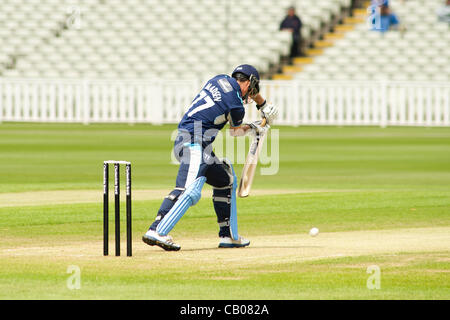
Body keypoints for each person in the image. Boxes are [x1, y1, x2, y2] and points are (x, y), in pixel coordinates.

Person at [142, 64, 278, 251]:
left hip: (194, 142)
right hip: (192, 142)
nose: (251, 95)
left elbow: (241, 94)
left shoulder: (219, 79)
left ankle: (228, 236)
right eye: (252, 89)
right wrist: (255, 126)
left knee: (226, 180)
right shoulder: (236, 106)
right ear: (249, 82)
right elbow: (235, 132)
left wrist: (263, 105)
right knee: (189, 188)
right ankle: (156, 230)